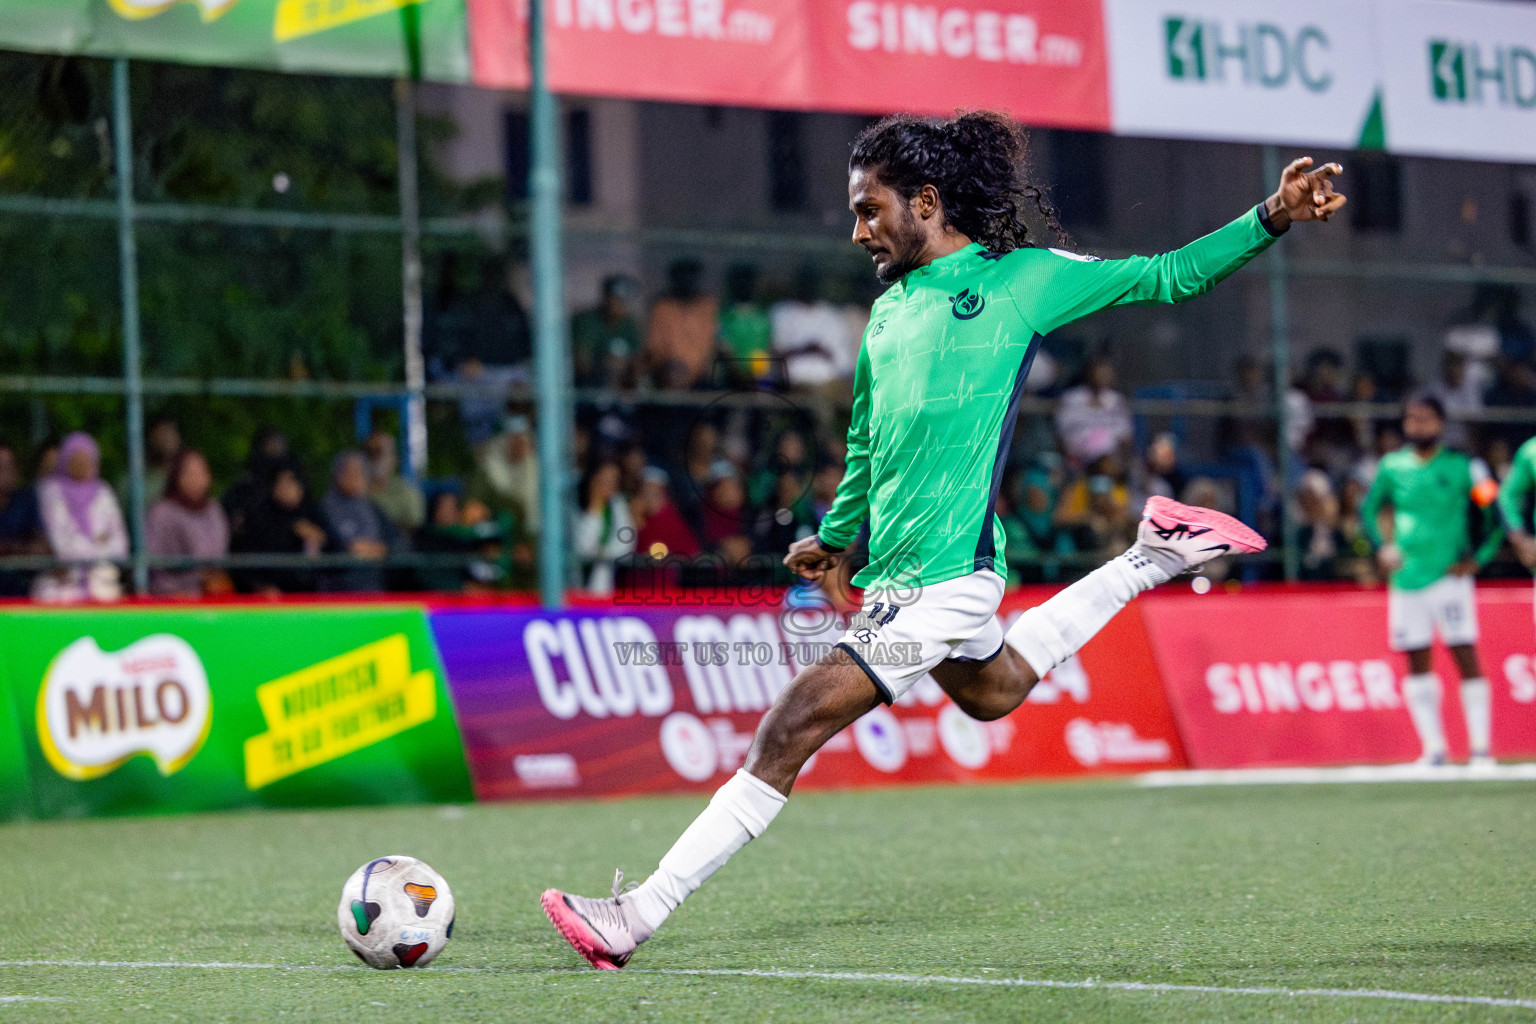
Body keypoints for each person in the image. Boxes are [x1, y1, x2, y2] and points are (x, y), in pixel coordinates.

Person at [541, 111, 1346, 969]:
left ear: (925, 201)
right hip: (898, 574)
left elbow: (1169, 277)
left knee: (790, 724)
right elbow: (866, 440)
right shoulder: (885, 317)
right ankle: (1155, 554)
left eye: (869, 208)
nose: (858, 231)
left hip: (951, 573)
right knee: (992, 690)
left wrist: (1272, 215)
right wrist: (837, 537)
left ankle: (636, 916)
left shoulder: (1021, 280)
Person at [1360, 395, 1502, 767]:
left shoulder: (1464, 466)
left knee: (1464, 654)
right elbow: (1370, 508)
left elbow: (1494, 511)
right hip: (1407, 576)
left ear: (1441, 423)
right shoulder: (1392, 466)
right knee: (1416, 658)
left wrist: (1479, 558)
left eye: (1425, 419)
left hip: (1449, 576)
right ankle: (1434, 750)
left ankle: (1481, 749)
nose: (1417, 425)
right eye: (1411, 418)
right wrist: (1381, 546)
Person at [34, 432, 128, 603]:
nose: (82, 463)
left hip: (103, 583)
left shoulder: (103, 491)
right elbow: (62, 545)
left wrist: (90, 550)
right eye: (76, 458)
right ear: (65, 460)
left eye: (87, 458)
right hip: (61, 586)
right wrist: (98, 543)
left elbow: (120, 545)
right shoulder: (51, 492)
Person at [145, 448, 231, 598]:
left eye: (201, 472)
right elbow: (154, 560)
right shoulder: (162, 512)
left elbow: (220, 552)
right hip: (171, 593)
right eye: (189, 473)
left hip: (212, 590)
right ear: (177, 476)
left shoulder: (214, 510)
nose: (196, 479)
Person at [234, 462, 328, 595]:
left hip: (310, 596)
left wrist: (320, 538)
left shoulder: (313, 512)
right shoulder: (259, 516)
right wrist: (260, 587)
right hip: (269, 599)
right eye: (280, 483)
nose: (285, 488)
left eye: (290, 482)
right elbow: (243, 561)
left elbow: (336, 554)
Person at [321, 451, 394, 593]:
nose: (357, 477)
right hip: (337, 588)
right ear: (338, 475)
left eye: (361, 472)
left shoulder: (371, 506)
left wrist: (378, 549)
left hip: (374, 585)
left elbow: (392, 540)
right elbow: (331, 544)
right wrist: (353, 548)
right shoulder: (325, 508)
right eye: (350, 472)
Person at [644, 260, 719, 389]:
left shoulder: (707, 306)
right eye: (682, 277)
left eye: (691, 277)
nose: (687, 282)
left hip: (700, 376)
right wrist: (668, 367)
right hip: (668, 374)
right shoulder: (663, 307)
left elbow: (712, 344)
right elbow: (655, 348)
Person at [1054, 355, 1132, 467]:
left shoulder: (1116, 400)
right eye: (1100, 372)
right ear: (1090, 373)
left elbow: (1125, 434)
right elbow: (1062, 431)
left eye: (1106, 372)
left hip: (1109, 458)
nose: (1103, 376)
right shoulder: (1072, 398)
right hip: (1077, 455)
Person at [574, 459, 636, 596]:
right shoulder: (575, 504)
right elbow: (583, 548)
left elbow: (627, 545)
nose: (609, 485)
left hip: (607, 587)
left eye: (614, 480)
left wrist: (602, 553)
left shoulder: (618, 505)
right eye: (604, 479)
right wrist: (594, 509)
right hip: (575, 587)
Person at [571, 275, 641, 388]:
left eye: (623, 300)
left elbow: (638, 360)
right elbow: (581, 364)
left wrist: (626, 366)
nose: (619, 304)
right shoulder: (586, 320)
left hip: (620, 387)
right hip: (588, 387)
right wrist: (605, 363)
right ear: (605, 298)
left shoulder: (629, 324)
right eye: (615, 298)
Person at [0, 444, 46, 597]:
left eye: (10, 466)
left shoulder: (27, 500)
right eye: (1, 466)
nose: (5, 472)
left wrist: (11, 548)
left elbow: (42, 546)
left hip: (22, 588)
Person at [364, 430, 425, 534]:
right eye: (370, 452)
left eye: (380, 452)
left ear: (394, 459)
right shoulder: (350, 491)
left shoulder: (406, 491)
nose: (375, 458)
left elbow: (414, 524)